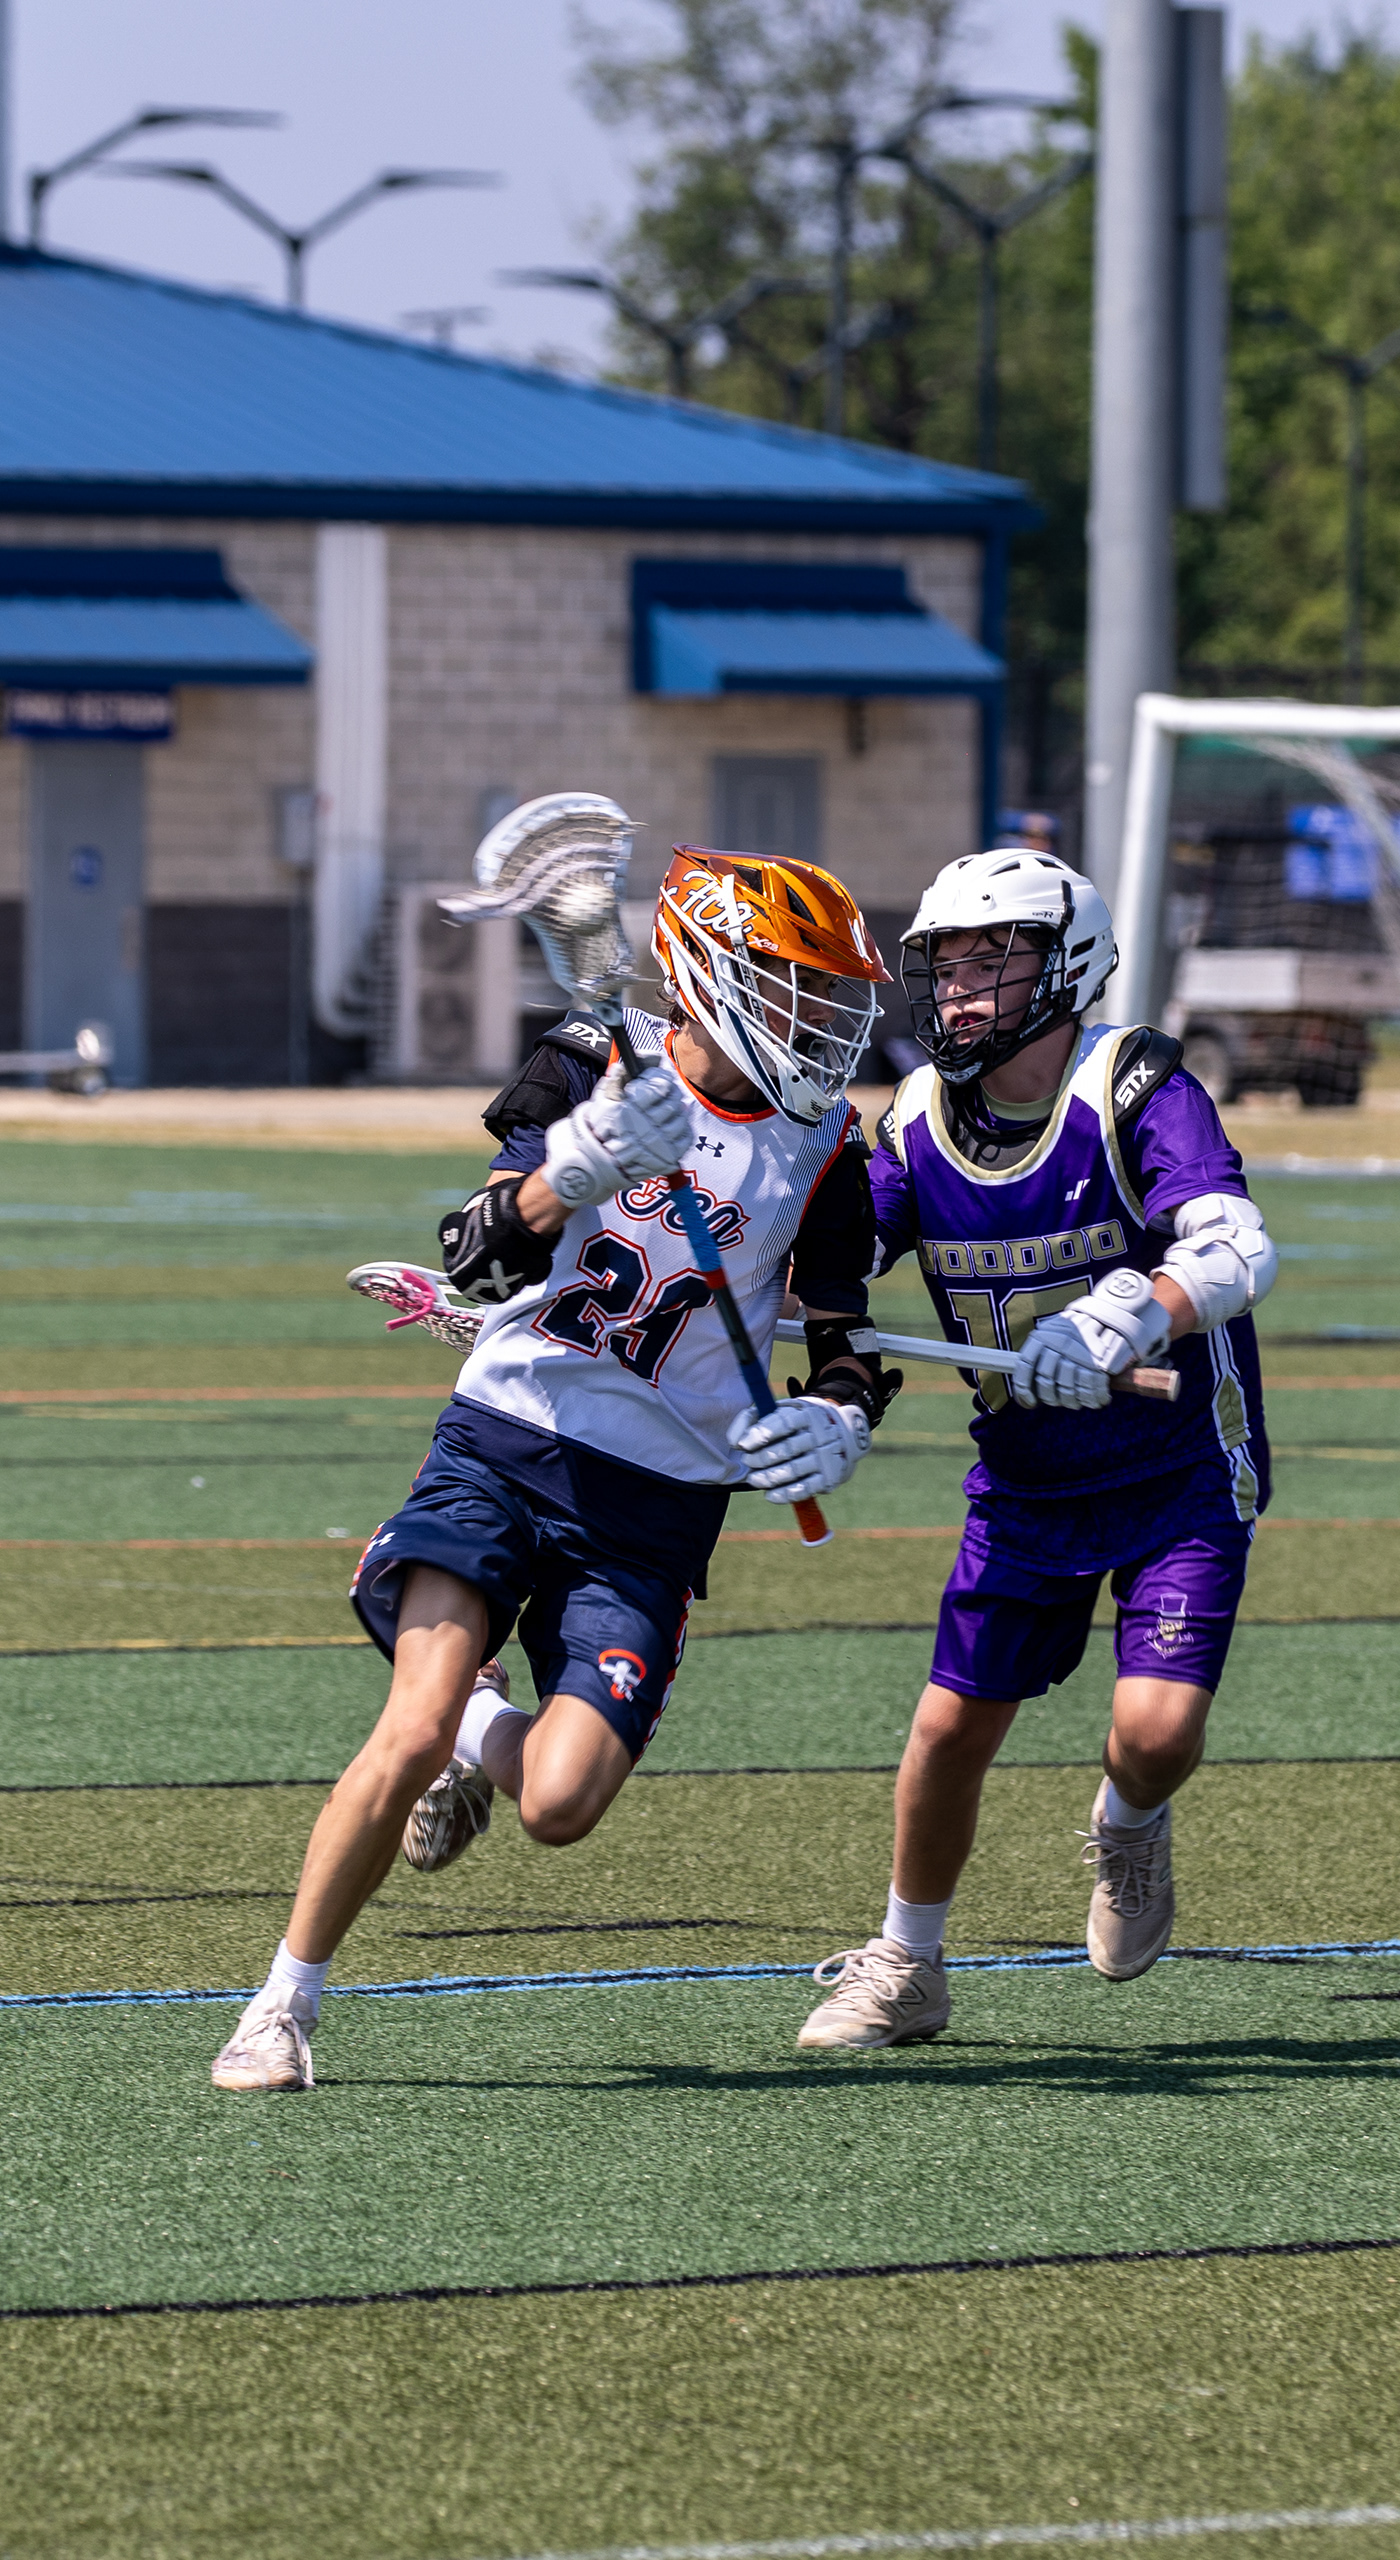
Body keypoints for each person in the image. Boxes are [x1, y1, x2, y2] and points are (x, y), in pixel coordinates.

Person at [212, 846, 900, 2094]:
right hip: (506, 1442)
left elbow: (846, 1337)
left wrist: (840, 1418)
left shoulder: (827, 1147)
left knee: (563, 1802)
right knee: (410, 1723)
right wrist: (576, 1168)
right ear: (710, 973)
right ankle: (280, 2007)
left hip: (654, 1507)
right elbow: (474, 1259)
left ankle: (484, 1732)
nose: (818, 1018)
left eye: (826, 992)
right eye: (790, 984)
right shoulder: (590, 1065)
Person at [791, 847, 1277, 2052]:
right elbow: (836, 1267)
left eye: (989, 961)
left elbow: (1235, 1246)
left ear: (1066, 966)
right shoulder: (917, 1121)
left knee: (1154, 1734)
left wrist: (1130, 1311)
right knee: (949, 1730)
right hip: (1025, 1481)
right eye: (946, 966)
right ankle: (907, 1962)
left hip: (1176, 1466)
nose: (958, 990)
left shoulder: (1135, 1085)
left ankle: (1130, 1821)